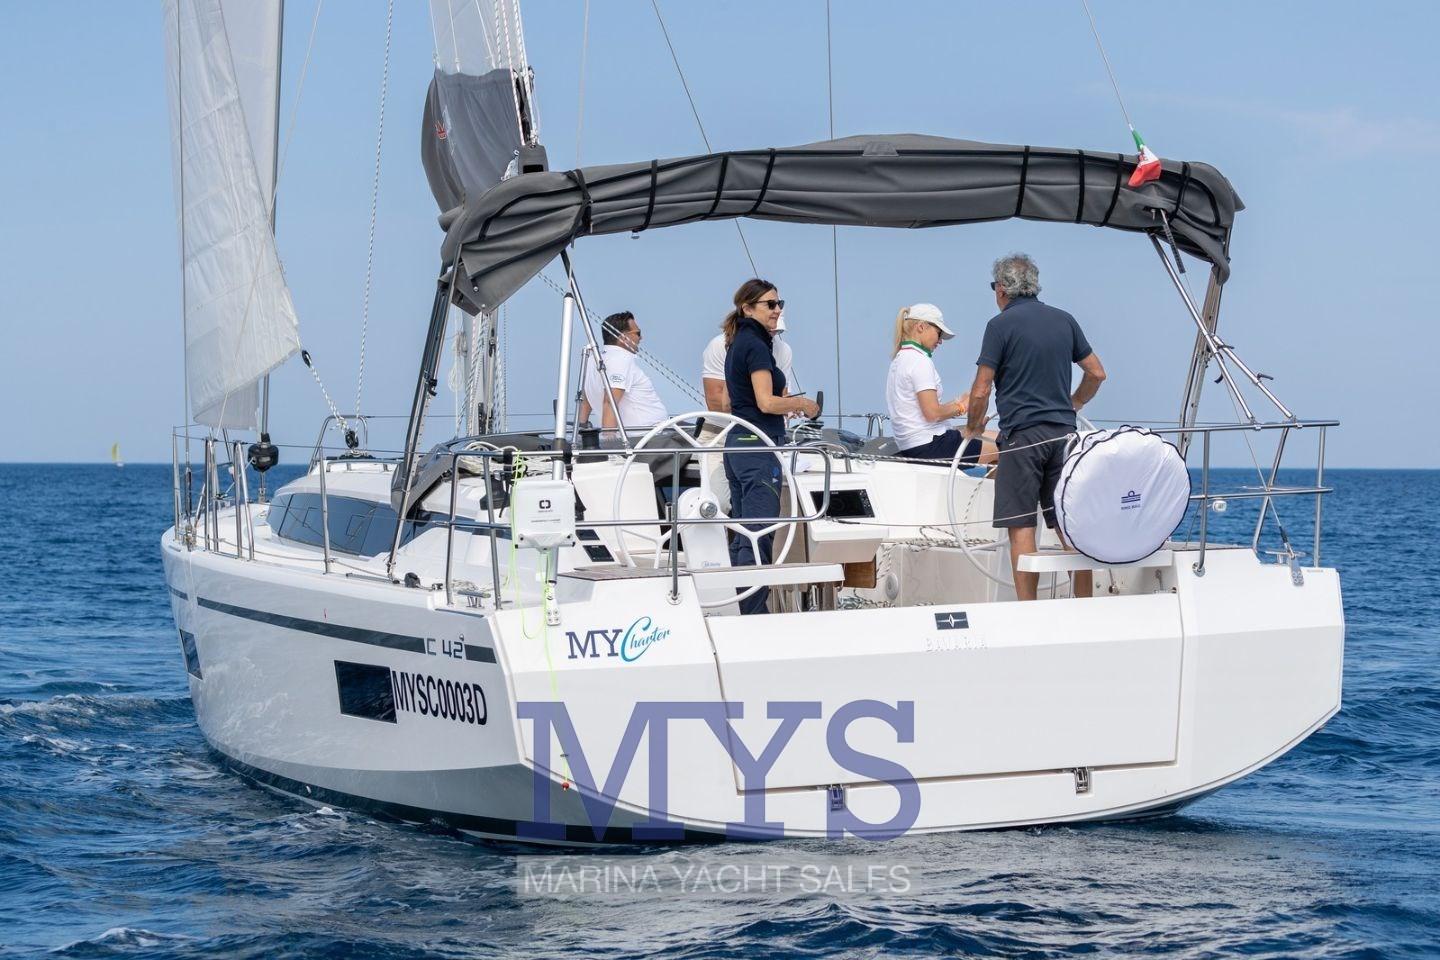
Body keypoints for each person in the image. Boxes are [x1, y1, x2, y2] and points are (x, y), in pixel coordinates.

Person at [963, 253, 1107, 601]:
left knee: (1022, 525)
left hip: (1023, 439)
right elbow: (1096, 373)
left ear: (1001, 288)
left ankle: (1029, 611)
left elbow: (981, 389)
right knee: (1069, 525)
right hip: (1065, 437)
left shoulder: (999, 326)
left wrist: (973, 428)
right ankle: (1085, 607)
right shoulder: (1064, 320)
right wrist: (1075, 402)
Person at [722, 278, 819, 615]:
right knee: (758, 534)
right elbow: (765, 402)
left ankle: (741, 610)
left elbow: (734, 401)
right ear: (748, 308)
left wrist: (783, 406)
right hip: (758, 447)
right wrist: (802, 404)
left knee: (743, 535)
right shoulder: (756, 345)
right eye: (770, 304)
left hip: (738, 444)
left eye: (780, 304)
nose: (777, 310)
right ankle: (753, 616)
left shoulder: (737, 342)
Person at [885, 303, 997, 466]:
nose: (940, 341)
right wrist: (962, 407)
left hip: (916, 444)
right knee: (1007, 444)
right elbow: (933, 414)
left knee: (996, 438)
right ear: (921, 327)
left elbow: (924, 411)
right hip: (930, 446)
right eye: (939, 333)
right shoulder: (920, 362)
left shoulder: (900, 359)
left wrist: (958, 401)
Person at [578, 311, 668, 439]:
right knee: (696, 435)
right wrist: (610, 444)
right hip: (647, 438)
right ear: (624, 338)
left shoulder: (594, 359)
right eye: (638, 333)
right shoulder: (620, 359)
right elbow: (609, 402)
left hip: (651, 434)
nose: (641, 338)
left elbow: (585, 401)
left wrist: (580, 432)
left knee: (690, 428)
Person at [702, 313, 796, 413]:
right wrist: (767, 403)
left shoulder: (784, 350)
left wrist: (789, 406)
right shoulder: (719, 345)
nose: (772, 334)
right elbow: (714, 403)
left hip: (764, 423)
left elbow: (781, 396)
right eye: (768, 329)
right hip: (722, 423)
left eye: (777, 331)